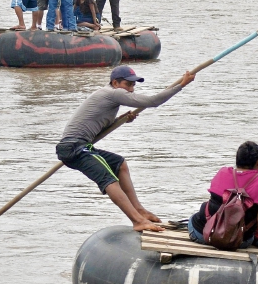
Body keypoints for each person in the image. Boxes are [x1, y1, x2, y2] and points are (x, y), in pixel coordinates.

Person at [56, 66, 194, 232]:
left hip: (81, 145)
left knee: (119, 164)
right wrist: (181, 85)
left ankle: (139, 210)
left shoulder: (109, 96)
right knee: (109, 179)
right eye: (128, 85)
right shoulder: (113, 93)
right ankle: (137, 221)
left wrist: (120, 120)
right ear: (115, 82)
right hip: (74, 147)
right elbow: (153, 101)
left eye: (133, 85)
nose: (131, 89)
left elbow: (95, 129)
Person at [187, 141, 258, 259]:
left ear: (237, 160)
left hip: (201, 234)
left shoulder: (223, 172)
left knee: (197, 215)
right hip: (238, 241)